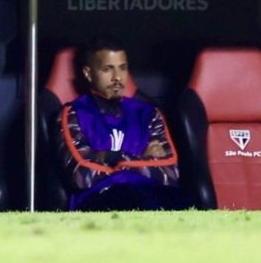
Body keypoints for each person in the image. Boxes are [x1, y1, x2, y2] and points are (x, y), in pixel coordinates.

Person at [57, 37, 190, 211]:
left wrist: (105, 157)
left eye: (123, 68)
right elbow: (81, 176)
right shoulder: (73, 114)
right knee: (133, 200)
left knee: (184, 203)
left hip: (152, 193)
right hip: (99, 197)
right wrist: (143, 156)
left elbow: (171, 173)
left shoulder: (149, 114)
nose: (117, 77)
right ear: (88, 73)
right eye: (107, 69)